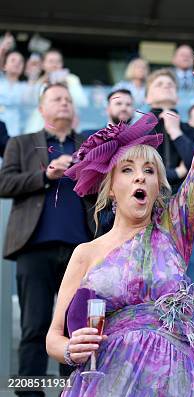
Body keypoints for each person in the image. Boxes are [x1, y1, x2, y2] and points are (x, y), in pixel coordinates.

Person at [45, 52, 194, 396]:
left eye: (149, 172)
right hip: (107, 381)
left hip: (176, 381)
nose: (139, 177)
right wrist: (71, 348)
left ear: (158, 186)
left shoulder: (174, 232)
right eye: (127, 171)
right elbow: (53, 338)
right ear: (111, 187)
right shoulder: (86, 252)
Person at [0, 83, 96, 394]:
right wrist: (45, 175)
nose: (64, 103)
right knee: (34, 326)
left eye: (68, 99)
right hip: (34, 248)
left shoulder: (89, 145)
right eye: (57, 99)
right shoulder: (21, 143)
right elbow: (4, 183)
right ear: (42, 109)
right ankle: (28, 391)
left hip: (80, 251)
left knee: (76, 328)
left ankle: (76, 390)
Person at [145, 68, 194, 192]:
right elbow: (140, 171)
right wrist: (176, 173)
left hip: (186, 203)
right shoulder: (138, 132)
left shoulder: (192, 131)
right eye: (159, 84)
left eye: (170, 85)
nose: (166, 87)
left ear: (177, 98)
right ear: (147, 98)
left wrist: (176, 133)